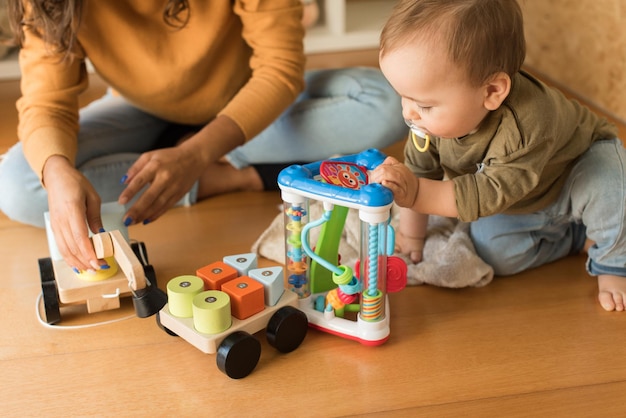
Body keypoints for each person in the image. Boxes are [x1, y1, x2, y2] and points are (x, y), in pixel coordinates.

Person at [0, 1, 407, 274]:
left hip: (247, 100)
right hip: (140, 110)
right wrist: (55, 172)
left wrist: (197, 152)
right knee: (19, 182)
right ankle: (230, 174)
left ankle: (199, 166)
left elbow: (279, 70)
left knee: (384, 102)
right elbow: (46, 104)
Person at [370, 0, 626, 312]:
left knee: (612, 193)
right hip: (525, 195)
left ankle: (613, 265)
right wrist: (412, 238)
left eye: (424, 104)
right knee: (493, 252)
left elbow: (484, 193)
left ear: (492, 91)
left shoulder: (526, 125)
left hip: (577, 168)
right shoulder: (425, 123)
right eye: (403, 96)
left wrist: (415, 193)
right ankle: (574, 235)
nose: (408, 112)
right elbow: (421, 171)